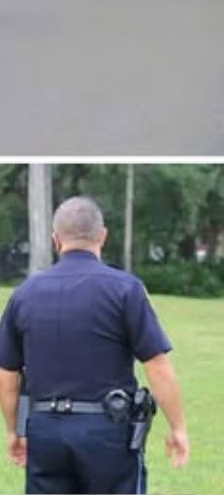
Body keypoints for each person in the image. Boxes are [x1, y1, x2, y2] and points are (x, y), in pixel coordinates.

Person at [0, 196, 189, 494]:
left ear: (55, 240)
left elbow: (8, 376)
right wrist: (177, 428)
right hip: (107, 433)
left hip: (45, 431)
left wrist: (14, 431)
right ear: (102, 236)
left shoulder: (23, 294)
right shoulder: (125, 290)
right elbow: (157, 367)